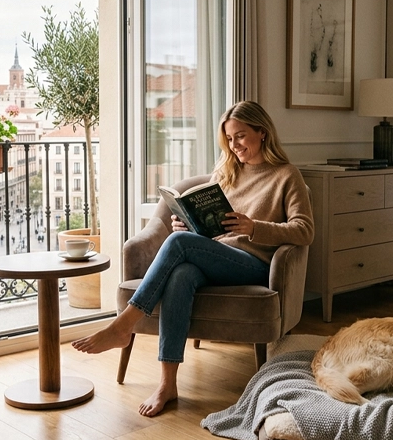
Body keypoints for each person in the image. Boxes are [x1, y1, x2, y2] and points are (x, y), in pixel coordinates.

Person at [72, 101, 314, 417]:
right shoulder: (226, 172)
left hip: (252, 265)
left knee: (180, 245)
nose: (234, 145)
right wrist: (186, 223)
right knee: (181, 274)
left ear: (262, 133)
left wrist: (254, 227)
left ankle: (125, 324)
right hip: (215, 257)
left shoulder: (286, 175)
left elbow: (304, 230)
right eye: (229, 138)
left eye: (240, 136)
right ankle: (167, 383)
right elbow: (210, 225)